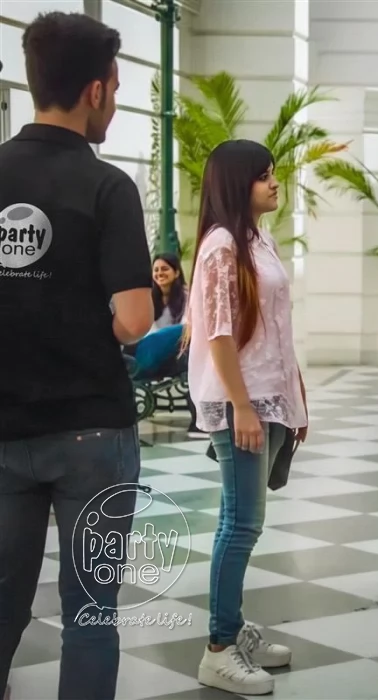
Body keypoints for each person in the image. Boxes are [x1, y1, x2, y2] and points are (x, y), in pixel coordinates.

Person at [0, 11, 153, 700]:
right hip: (92, 431)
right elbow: (135, 321)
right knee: (90, 611)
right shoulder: (107, 186)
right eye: (116, 91)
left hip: (3, 428)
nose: (113, 105)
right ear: (95, 90)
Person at [185, 139, 309, 696]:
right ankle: (218, 649)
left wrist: (295, 395)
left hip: (270, 397)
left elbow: (275, 328)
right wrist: (241, 405)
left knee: (242, 522)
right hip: (243, 403)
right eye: (264, 176)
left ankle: (232, 629)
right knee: (240, 524)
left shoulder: (260, 241)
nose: (275, 183)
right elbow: (218, 335)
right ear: (239, 185)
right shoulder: (220, 247)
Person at [123, 253, 205, 437]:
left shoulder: (187, 297)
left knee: (189, 340)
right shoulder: (147, 299)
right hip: (145, 355)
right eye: (156, 270)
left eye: (165, 269)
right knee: (188, 329)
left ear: (176, 272)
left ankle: (199, 419)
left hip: (174, 356)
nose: (160, 273)